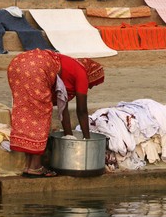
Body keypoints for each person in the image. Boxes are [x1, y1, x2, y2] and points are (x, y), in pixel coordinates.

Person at [7, 48, 104, 177]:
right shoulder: (82, 73)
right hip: (37, 67)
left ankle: (28, 166)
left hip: (17, 65)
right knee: (40, 114)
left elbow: (63, 108)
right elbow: (82, 111)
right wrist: (87, 140)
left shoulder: (70, 67)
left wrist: (69, 136)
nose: (90, 87)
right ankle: (36, 167)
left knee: (27, 112)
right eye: (92, 84)